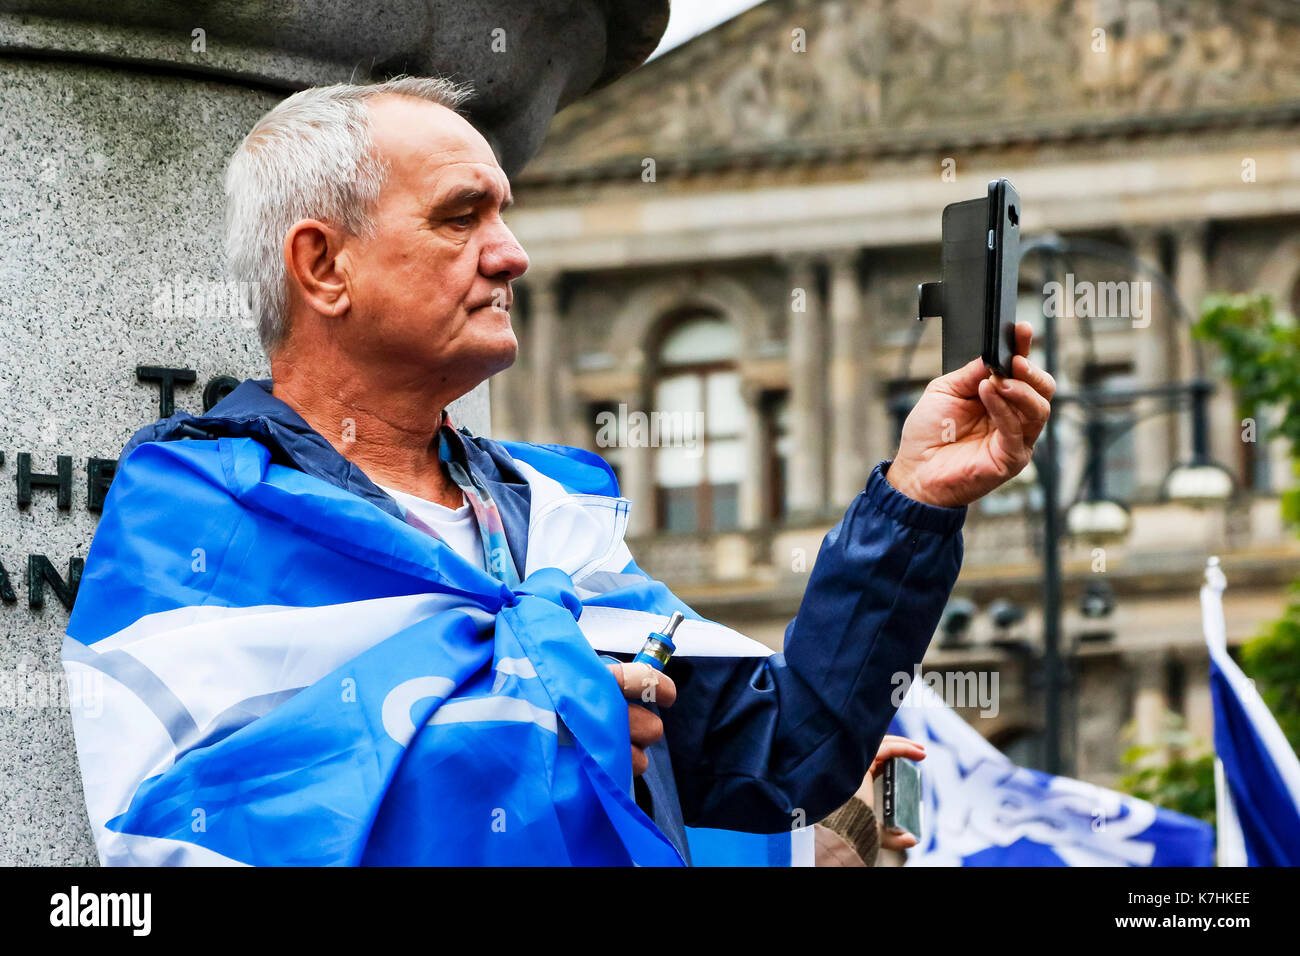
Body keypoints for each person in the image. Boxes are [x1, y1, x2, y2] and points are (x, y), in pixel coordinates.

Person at [63, 77, 1054, 866]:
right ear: (324, 266)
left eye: (505, 212)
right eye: (461, 217)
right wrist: (549, 721)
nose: (514, 254)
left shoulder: (553, 517)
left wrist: (914, 497)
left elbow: (779, 758)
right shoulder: (200, 512)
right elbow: (175, 832)